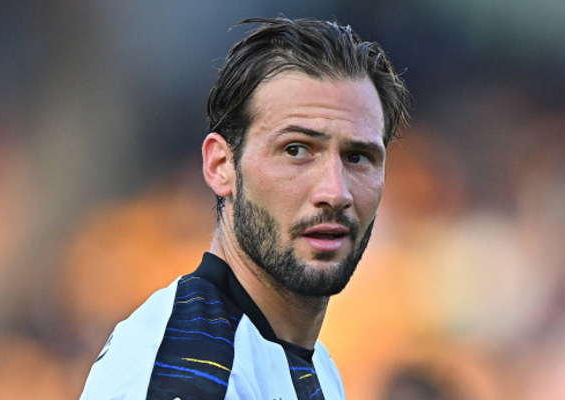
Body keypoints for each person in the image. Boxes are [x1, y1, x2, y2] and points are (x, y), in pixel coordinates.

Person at [79, 17, 409, 399]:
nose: (335, 192)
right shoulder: (188, 369)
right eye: (296, 150)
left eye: (357, 156)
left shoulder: (313, 363)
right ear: (221, 166)